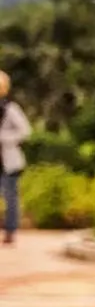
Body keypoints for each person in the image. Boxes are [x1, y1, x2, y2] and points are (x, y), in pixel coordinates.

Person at [0, 70, 32, 245]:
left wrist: (4, 138)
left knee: (10, 196)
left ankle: (10, 231)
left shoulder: (10, 109)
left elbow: (25, 131)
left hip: (8, 161)